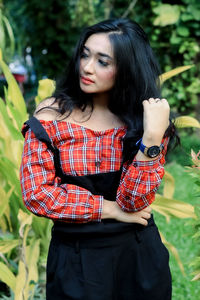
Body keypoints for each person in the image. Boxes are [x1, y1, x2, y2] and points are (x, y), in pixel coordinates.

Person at [20, 18, 174, 300]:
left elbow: (133, 202)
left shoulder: (145, 120)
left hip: (137, 258)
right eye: (85, 54)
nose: (87, 67)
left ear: (126, 69)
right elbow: (38, 195)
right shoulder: (52, 116)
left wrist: (151, 139)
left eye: (103, 61)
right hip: (76, 261)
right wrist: (108, 209)